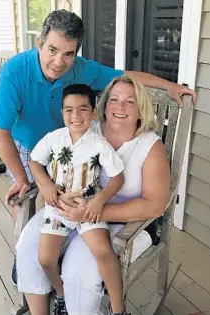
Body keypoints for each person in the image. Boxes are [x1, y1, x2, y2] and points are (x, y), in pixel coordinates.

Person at [0, 8, 195, 315]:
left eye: (68, 54)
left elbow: (124, 77)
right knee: (31, 248)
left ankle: (107, 307)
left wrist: (170, 85)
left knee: (77, 265)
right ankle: (45, 303)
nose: (59, 61)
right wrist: (31, 182)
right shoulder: (76, 126)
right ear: (40, 44)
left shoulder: (144, 144)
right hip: (39, 157)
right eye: (53, 50)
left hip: (98, 212)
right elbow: (3, 133)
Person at [16, 75, 170, 315]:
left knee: (79, 270)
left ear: (141, 109)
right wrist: (43, 184)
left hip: (123, 222)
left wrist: (89, 212)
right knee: (28, 246)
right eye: (114, 99)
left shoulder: (149, 146)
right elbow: (46, 161)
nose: (120, 107)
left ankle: (113, 310)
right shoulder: (85, 128)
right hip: (67, 209)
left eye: (130, 102)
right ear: (104, 106)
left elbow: (155, 206)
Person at [30, 83, 127, 314]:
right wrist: (46, 185)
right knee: (45, 259)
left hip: (87, 208)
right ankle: (61, 292)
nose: (75, 116)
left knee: (103, 252)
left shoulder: (98, 144)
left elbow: (117, 178)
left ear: (93, 112)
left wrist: (99, 200)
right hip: (58, 207)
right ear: (62, 112)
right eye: (69, 110)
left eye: (83, 109)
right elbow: (35, 162)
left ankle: (118, 309)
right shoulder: (53, 139)